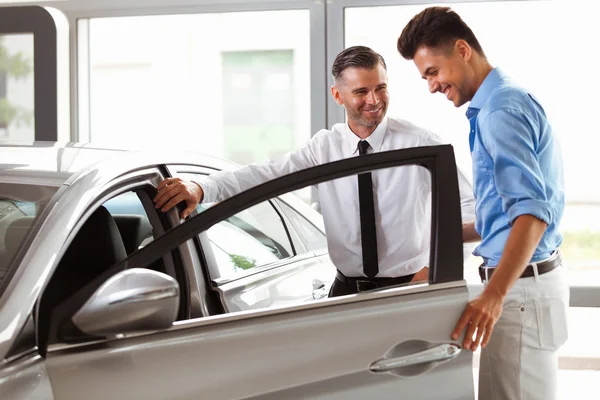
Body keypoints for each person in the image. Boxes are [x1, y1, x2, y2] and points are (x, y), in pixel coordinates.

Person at [154, 45, 475, 297]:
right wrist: (202, 188)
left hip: (412, 287)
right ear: (338, 95)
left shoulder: (420, 143)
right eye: (361, 92)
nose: (374, 100)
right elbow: (264, 174)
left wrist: (435, 266)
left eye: (381, 88)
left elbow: (470, 207)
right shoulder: (324, 148)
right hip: (344, 292)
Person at [397, 7, 569, 400]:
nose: (431, 86)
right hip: (519, 289)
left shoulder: (501, 111)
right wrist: (441, 240)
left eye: (432, 72)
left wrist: (493, 297)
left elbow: (532, 214)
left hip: (518, 292)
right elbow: (508, 216)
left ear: (462, 50)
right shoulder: (494, 106)